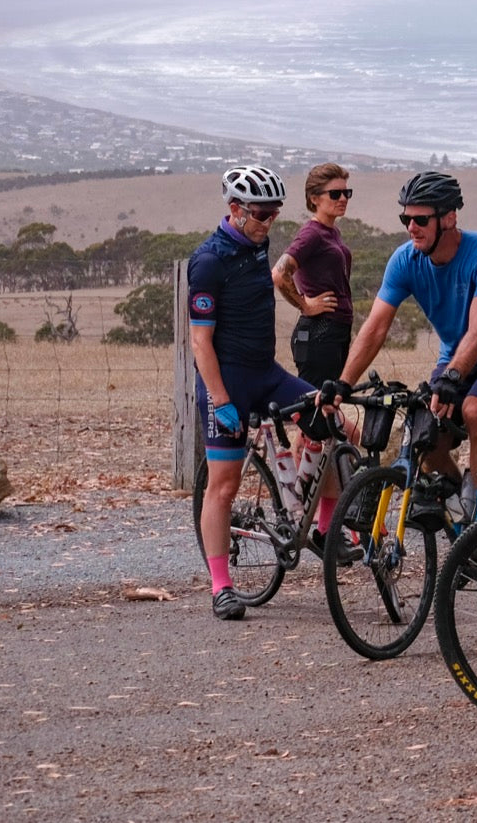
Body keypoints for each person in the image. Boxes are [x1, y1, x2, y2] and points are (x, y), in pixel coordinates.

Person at [327, 171, 477, 525]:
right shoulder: (405, 260)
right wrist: (343, 383)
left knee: (476, 411)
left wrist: (452, 377)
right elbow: (376, 327)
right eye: (406, 218)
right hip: (457, 353)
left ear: (449, 218)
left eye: (420, 219)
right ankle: (466, 505)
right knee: (426, 434)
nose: (411, 227)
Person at [191, 165, 332, 620]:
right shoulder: (210, 260)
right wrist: (220, 400)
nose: (269, 221)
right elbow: (200, 342)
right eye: (261, 213)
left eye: (275, 213)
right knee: (224, 485)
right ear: (235, 209)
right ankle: (220, 587)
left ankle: (327, 530)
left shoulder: (257, 242)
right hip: (227, 382)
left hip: (267, 372)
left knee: (333, 420)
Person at [272, 163, 354, 388]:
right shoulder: (312, 234)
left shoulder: (332, 232)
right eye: (335, 194)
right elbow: (279, 274)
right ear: (314, 198)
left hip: (334, 331)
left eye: (347, 193)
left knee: (326, 405)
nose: (343, 199)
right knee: (315, 408)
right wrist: (304, 305)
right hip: (319, 332)